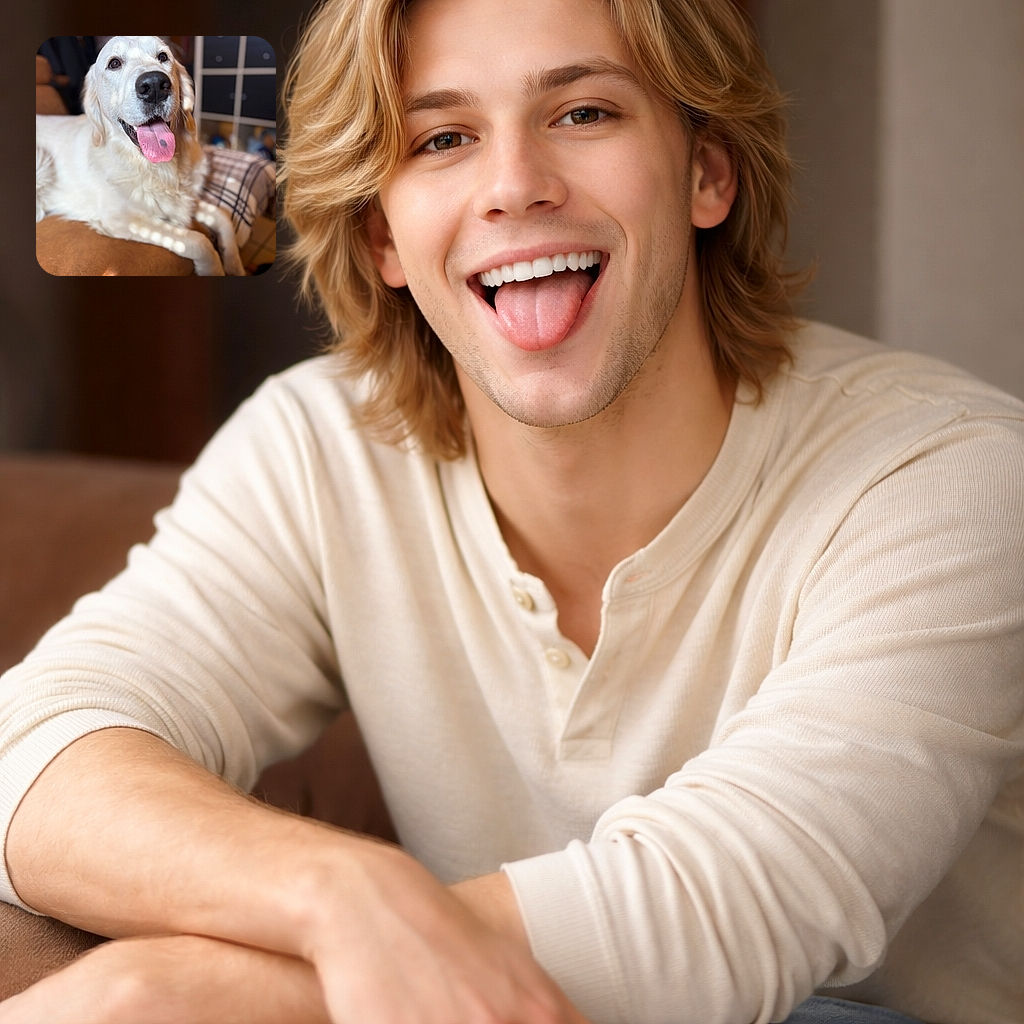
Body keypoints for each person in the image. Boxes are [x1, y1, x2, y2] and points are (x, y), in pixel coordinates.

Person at [1, 0, 1022, 1021]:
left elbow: (729, 911)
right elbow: (34, 749)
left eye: (583, 113)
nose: (514, 186)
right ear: (382, 233)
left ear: (708, 172)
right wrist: (339, 892)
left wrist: (173, 991)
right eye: (442, 138)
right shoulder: (322, 450)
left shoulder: (954, 480)